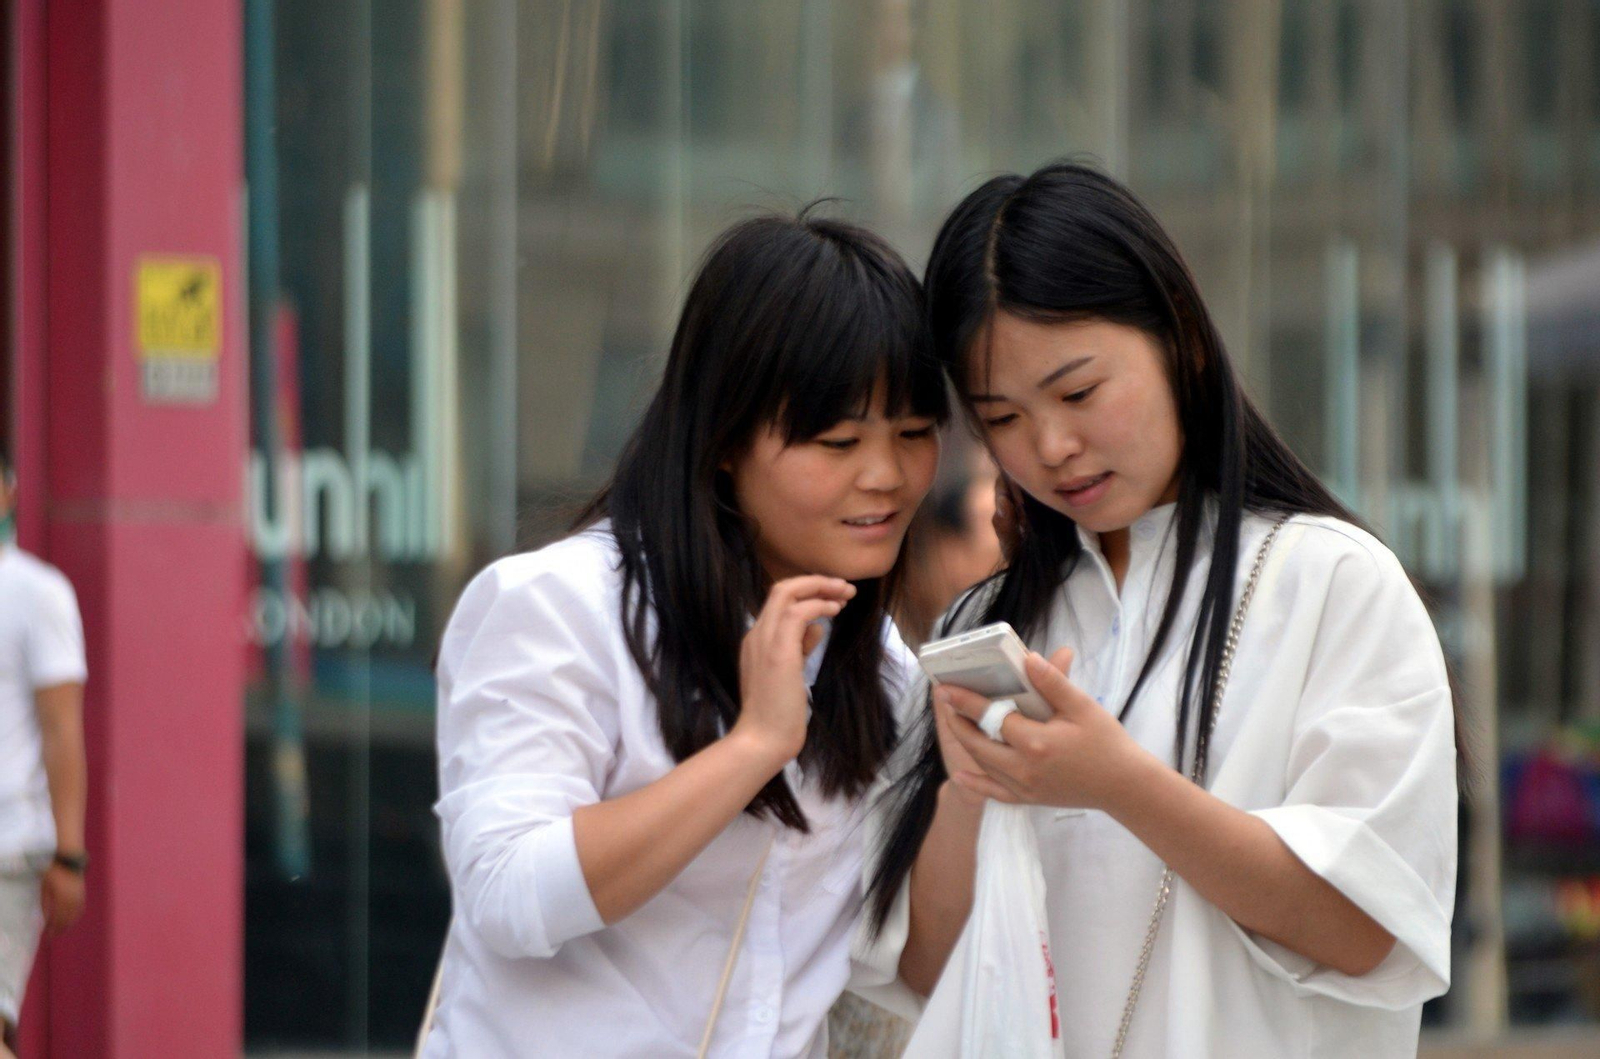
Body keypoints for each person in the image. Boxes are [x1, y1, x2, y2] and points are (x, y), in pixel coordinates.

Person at [859, 163, 1459, 1057]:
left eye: (1078, 392)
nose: (1051, 447)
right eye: (1003, 419)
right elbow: (934, 967)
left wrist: (1114, 781)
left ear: (1181, 335)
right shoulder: (987, 624)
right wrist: (970, 784)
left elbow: (1364, 926)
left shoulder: (1331, 581)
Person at [423, 209, 948, 1057]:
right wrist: (753, 746)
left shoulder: (883, 668)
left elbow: (909, 962)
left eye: (916, 434)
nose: (885, 475)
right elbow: (509, 893)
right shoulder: (558, 608)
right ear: (726, 441)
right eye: (839, 440)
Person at [0, 445, 89, 1059]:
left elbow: (63, 731)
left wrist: (70, 855)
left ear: (7, 492)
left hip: (6, 847)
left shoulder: (37, 592)